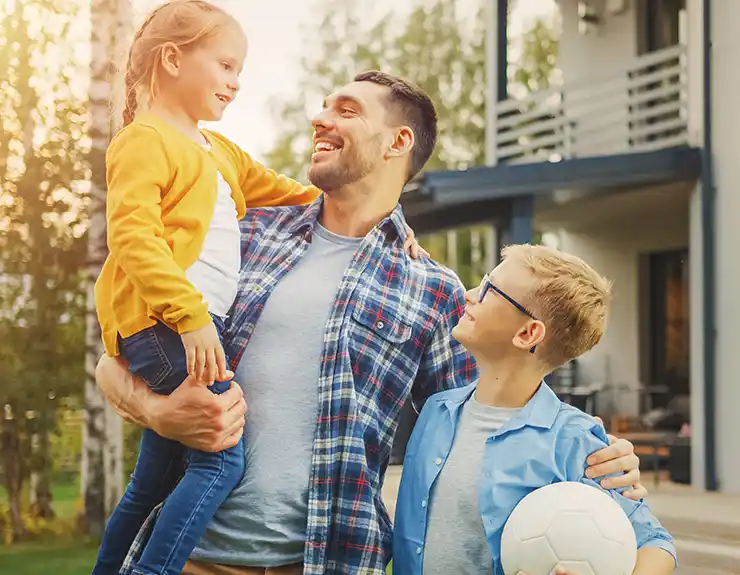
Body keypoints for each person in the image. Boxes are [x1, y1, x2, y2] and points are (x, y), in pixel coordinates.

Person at [95, 70, 646, 575]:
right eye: (325, 107)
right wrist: (155, 411)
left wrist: (591, 455)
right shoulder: (244, 234)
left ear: (398, 142)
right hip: (187, 558)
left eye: (347, 110)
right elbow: (118, 351)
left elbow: (487, 422)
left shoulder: (433, 291)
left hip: (325, 561)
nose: (321, 119)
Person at [91, 2, 325, 574]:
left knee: (151, 483)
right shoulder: (143, 140)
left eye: (239, 69)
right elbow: (133, 237)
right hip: (167, 324)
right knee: (219, 463)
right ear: (172, 59)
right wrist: (191, 316)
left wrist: (387, 215)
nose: (236, 81)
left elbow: (296, 194)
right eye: (224, 65)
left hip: (189, 325)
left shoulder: (218, 151)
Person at [393, 244, 676, 575]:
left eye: (488, 290)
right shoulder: (435, 411)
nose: (469, 295)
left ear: (528, 333)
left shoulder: (577, 441)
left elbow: (656, 544)